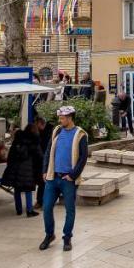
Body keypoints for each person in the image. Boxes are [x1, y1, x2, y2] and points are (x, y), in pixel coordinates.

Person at [39, 105, 90, 251]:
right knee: (47, 207)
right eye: (60, 118)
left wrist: (72, 176)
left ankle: (67, 238)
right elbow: (49, 151)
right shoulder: (57, 131)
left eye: (62, 118)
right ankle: (49, 235)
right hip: (52, 177)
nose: (60, 120)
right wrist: (44, 170)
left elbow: (83, 158)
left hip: (68, 180)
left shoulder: (80, 135)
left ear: (69, 118)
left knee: (70, 210)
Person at [0, 122, 41, 217]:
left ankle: (18, 210)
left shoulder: (18, 139)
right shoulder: (34, 140)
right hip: (28, 169)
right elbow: (39, 156)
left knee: (17, 189)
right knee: (28, 189)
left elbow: (11, 154)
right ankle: (29, 210)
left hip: (16, 167)